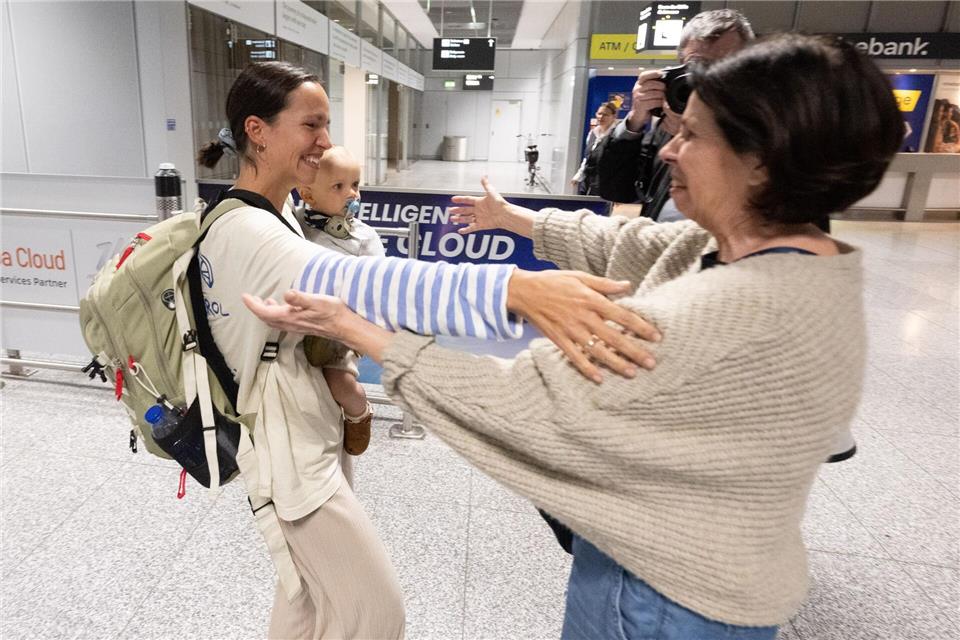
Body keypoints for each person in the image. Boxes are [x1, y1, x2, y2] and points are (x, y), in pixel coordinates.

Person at [243, 34, 903, 639]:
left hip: (661, 600)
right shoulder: (790, 255)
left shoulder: (730, 310)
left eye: (694, 135)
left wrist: (359, 329)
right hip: (719, 571)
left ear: (761, 160)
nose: (669, 148)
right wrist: (516, 221)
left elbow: (521, 405)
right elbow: (630, 243)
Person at [194, 61, 659, 639]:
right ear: (258, 130)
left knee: (307, 599)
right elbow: (372, 287)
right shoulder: (247, 230)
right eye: (311, 124)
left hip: (311, 423)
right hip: (286, 449)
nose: (327, 141)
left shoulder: (281, 211)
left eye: (328, 124)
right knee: (375, 612)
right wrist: (516, 289)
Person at [597, 9, 754, 221]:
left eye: (725, 68)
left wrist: (696, 136)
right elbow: (617, 190)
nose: (709, 81)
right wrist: (635, 121)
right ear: (681, 69)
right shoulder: (669, 122)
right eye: (697, 68)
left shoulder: (772, 132)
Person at [293, 145, 383, 485]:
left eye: (355, 184)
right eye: (338, 187)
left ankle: (359, 411)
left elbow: (375, 284)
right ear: (307, 193)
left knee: (340, 383)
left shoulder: (362, 236)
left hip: (335, 335)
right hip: (295, 329)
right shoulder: (294, 224)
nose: (351, 194)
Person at [570, 102, 619, 195]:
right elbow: (587, 158)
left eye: (605, 114)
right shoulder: (592, 133)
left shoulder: (617, 135)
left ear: (614, 116)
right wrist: (578, 176)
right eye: (599, 113)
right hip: (588, 181)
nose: (601, 117)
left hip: (605, 183)